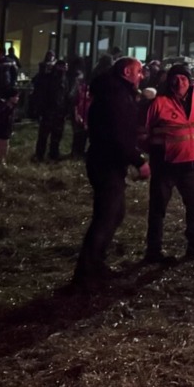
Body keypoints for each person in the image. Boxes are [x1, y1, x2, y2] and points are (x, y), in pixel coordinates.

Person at [73, 57, 150, 291]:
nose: (142, 76)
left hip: (108, 161)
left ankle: (96, 265)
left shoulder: (116, 93)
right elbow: (117, 134)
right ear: (127, 72)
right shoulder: (116, 96)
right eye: (138, 71)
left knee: (114, 214)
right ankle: (86, 273)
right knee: (106, 217)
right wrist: (139, 161)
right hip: (106, 163)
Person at [143, 63, 194, 263]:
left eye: (183, 78)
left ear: (190, 81)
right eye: (175, 79)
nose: (180, 83)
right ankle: (153, 251)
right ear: (169, 81)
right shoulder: (159, 103)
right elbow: (144, 132)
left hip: (191, 164)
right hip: (164, 165)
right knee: (158, 209)